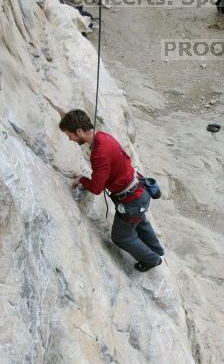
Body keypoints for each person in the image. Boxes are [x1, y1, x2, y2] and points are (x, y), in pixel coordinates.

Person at [59, 110, 164, 272]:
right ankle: (157, 249)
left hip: (132, 201)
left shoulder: (99, 153)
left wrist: (82, 179)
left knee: (121, 237)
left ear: (79, 131)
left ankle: (152, 260)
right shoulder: (103, 137)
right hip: (139, 191)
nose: (70, 139)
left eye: (70, 135)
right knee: (140, 221)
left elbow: (96, 188)